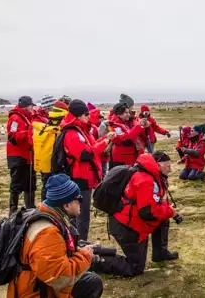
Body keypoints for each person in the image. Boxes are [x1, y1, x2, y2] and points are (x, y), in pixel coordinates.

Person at [7, 174, 103, 298]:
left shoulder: (49, 216)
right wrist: (85, 256)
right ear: (66, 205)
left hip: (42, 285)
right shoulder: (47, 233)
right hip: (36, 292)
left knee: (91, 282)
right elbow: (60, 278)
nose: (81, 201)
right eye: (78, 198)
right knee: (91, 284)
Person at [94, 152, 179, 277]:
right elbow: (147, 212)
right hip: (127, 228)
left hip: (129, 222)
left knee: (163, 218)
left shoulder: (150, 175)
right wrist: (170, 211)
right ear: (158, 165)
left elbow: (155, 201)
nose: (170, 170)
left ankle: (160, 253)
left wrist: (167, 210)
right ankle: (95, 261)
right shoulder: (145, 180)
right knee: (135, 268)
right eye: (167, 166)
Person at [60, 100, 114, 241]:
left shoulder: (80, 130)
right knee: (81, 214)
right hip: (80, 178)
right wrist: (105, 142)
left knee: (80, 213)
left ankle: (77, 240)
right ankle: (80, 243)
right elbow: (85, 154)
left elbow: (91, 146)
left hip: (85, 177)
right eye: (85, 114)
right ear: (78, 115)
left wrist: (104, 139)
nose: (88, 117)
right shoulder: (72, 133)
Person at [7, 96, 37, 213]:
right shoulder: (15, 118)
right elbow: (13, 136)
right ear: (26, 106)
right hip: (18, 155)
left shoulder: (27, 118)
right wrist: (29, 132)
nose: (32, 108)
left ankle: (30, 207)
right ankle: (13, 210)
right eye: (31, 105)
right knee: (16, 183)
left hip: (28, 155)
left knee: (30, 182)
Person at [106, 102, 147, 168]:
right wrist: (138, 126)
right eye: (126, 113)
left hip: (127, 156)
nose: (128, 114)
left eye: (128, 112)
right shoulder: (115, 126)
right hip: (121, 159)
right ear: (118, 114)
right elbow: (125, 138)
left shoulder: (124, 123)